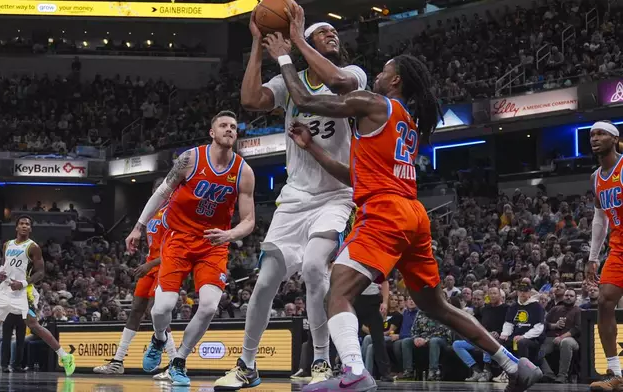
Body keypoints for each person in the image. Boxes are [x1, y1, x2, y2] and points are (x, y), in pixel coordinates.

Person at [278, 47, 542, 392]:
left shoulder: (373, 102)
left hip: (384, 212)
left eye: (384, 71)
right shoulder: (406, 121)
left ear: (396, 80)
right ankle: (513, 363)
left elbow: (303, 99)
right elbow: (355, 176)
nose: (378, 75)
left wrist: (286, 55)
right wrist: (312, 147)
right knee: (437, 306)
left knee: (337, 292)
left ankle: (354, 372)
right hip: (412, 214)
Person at [214, 4, 367, 390]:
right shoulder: (289, 80)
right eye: (321, 32)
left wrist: (296, 40)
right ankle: (247, 365)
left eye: (333, 33)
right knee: (265, 282)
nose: (331, 34)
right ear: (305, 43)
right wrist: (255, 43)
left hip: (337, 195)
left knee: (316, 267)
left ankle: (320, 360)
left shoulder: (353, 75)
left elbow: (336, 81)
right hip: (295, 197)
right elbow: (250, 99)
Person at [126, 110, 255, 387]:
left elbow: (249, 221)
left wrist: (230, 234)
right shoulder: (190, 159)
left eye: (233, 126)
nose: (230, 130)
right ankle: (159, 338)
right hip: (179, 238)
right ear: (212, 132)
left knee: (209, 306)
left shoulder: (244, 171)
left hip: (213, 243)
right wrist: (139, 225)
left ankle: (179, 360)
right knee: (162, 308)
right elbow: (162, 193)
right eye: (223, 125)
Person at [94, 178, 176, 380]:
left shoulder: (175, 212)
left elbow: (175, 251)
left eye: (164, 187)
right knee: (135, 310)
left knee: (157, 314)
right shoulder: (151, 215)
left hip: (166, 267)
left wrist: (149, 264)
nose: (161, 191)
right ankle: (117, 362)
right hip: (151, 265)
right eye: (157, 188)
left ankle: (175, 365)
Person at [0, 215, 75, 376]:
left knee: (34, 325)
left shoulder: (33, 247)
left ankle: (65, 356)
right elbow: (5, 264)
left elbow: (41, 272)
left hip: (22, 292)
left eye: (27, 224)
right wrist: (0, 273)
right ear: (16, 227)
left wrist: (23, 283)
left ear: (30, 229)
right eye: (21, 223)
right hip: (5, 290)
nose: (24, 226)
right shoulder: (7, 245)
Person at [587, 120, 623, 390]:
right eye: (592, 135)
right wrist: (593, 256)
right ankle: (616, 374)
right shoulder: (596, 177)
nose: (594, 138)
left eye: (601, 133)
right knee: (604, 301)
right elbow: (600, 218)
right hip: (618, 245)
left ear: (615, 138)